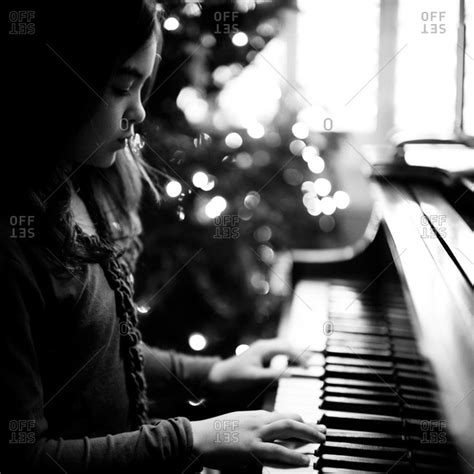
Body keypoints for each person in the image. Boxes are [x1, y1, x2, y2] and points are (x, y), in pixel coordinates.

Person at [3, 0, 326, 472]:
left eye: (143, 86)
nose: (138, 109)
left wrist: (213, 372)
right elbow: (24, 460)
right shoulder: (14, 248)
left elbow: (106, 355)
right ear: (59, 84)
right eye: (120, 87)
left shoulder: (89, 188)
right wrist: (192, 438)